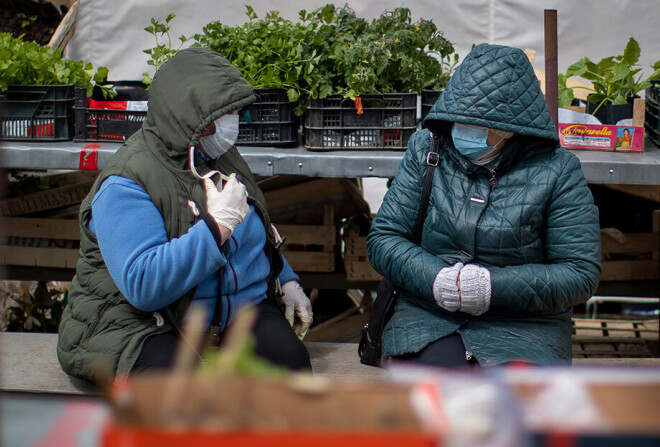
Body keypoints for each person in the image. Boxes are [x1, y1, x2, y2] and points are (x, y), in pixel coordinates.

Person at [57, 48, 313, 383]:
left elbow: (252, 228)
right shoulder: (127, 179)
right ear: (188, 118)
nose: (232, 122)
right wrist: (215, 228)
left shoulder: (219, 153)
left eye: (233, 111)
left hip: (228, 311)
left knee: (291, 366)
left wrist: (286, 279)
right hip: (139, 319)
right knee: (181, 392)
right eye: (221, 115)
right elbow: (144, 284)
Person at [366, 43, 602, 367]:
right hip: (428, 319)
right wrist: (436, 278)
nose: (459, 131)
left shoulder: (557, 170)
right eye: (457, 121)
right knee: (432, 399)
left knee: (510, 405)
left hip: (525, 328)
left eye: (474, 126)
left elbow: (579, 273)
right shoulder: (427, 149)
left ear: (507, 129)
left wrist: (492, 286)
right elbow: (384, 238)